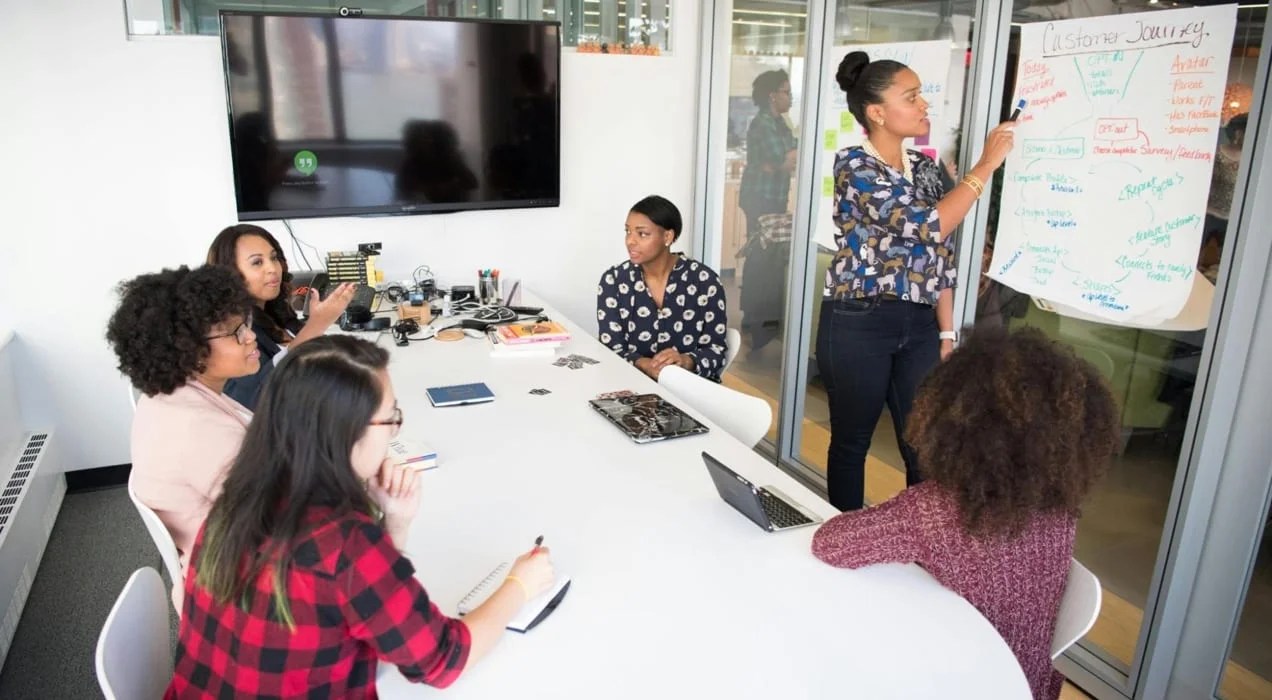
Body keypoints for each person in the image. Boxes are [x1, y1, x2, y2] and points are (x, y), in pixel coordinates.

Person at [169, 336, 557, 696]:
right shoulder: (345, 544)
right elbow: (442, 660)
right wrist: (519, 585)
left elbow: (351, 604)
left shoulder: (237, 498)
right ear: (347, 431)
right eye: (391, 418)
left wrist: (394, 524)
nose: (394, 432)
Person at [811, 327, 1119, 700]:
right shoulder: (1059, 511)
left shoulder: (933, 510)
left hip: (950, 682)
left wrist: (897, 517)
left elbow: (829, 543)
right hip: (1025, 686)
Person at [816, 51, 1016, 511]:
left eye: (922, 95)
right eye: (912, 97)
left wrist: (946, 332)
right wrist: (985, 165)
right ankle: (845, 536)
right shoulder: (855, 167)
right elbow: (929, 226)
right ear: (877, 112)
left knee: (924, 446)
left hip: (920, 324)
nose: (924, 105)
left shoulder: (925, 168)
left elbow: (938, 255)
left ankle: (921, 544)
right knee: (852, 442)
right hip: (859, 320)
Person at [105, 265, 259, 585]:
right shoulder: (201, 433)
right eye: (234, 331)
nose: (250, 336)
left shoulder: (165, 398)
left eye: (246, 322)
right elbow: (287, 525)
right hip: (240, 586)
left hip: (218, 558)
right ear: (189, 349)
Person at [207, 224, 355, 409]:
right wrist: (316, 325)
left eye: (274, 258)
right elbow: (258, 397)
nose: (272, 268)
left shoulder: (278, 314)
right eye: (257, 262)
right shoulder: (233, 334)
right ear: (230, 273)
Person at [597, 195, 729, 382]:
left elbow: (716, 352)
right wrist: (645, 365)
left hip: (690, 391)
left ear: (668, 236)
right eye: (628, 231)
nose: (630, 241)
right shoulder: (613, 282)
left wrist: (685, 361)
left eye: (642, 234)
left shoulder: (705, 282)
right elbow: (610, 349)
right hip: (632, 387)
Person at [738, 70, 798, 352]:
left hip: (773, 196)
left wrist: (784, 160)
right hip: (760, 198)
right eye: (786, 91)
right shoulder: (764, 123)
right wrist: (782, 160)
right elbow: (784, 159)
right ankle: (755, 317)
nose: (790, 97)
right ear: (773, 95)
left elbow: (790, 157)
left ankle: (758, 318)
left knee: (764, 256)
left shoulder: (779, 123)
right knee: (760, 255)